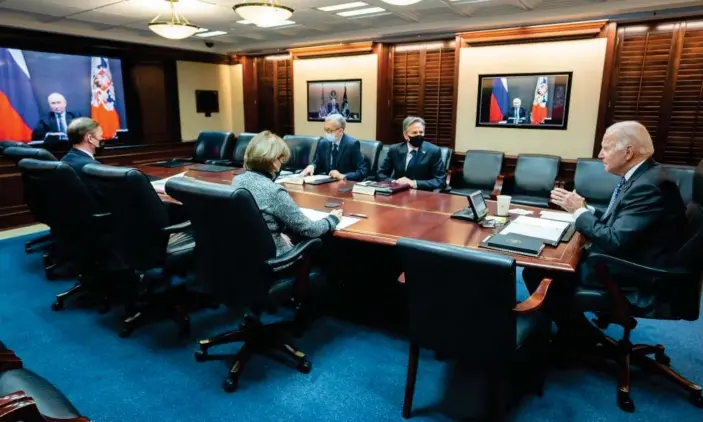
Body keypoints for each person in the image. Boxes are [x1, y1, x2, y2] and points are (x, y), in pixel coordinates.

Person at [523, 121, 687, 342]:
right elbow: (622, 222)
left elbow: (614, 239)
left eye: (606, 148)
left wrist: (580, 212)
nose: (600, 154)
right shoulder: (645, 177)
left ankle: (580, 339)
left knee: (540, 271)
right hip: (634, 259)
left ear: (628, 152)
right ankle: (577, 333)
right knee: (545, 266)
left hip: (637, 275)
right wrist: (587, 209)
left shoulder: (648, 186)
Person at [232, 131, 343, 256]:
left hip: (246, 255)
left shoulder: (237, 180)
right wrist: (332, 219)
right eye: (281, 159)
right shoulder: (274, 191)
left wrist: (274, 235)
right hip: (274, 260)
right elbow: (309, 229)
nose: (282, 163)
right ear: (274, 161)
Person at [376, 116, 446, 191]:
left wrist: (413, 183)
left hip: (422, 194)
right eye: (414, 133)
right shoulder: (395, 150)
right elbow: (381, 174)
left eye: (421, 132)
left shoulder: (433, 151)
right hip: (399, 192)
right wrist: (395, 182)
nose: (418, 135)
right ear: (406, 135)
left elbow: (440, 181)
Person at [299, 114, 367, 181]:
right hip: (325, 185)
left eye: (329, 130)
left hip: (344, 185)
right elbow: (318, 163)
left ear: (340, 131)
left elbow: (363, 171)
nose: (327, 133)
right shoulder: (323, 143)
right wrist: (312, 167)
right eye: (325, 130)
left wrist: (342, 176)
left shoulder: (352, 144)